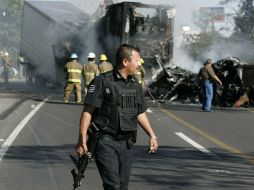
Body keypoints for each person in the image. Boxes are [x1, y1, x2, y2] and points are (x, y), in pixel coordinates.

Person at [76, 44, 158, 190]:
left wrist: (152, 135)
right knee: (112, 185)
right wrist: (82, 139)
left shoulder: (136, 85)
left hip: (126, 143)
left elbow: (140, 112)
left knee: (122, 186)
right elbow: (88, 111)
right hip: (105, 142)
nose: (140, 63)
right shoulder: (102, 81)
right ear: (125, 62)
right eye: (137, 60)